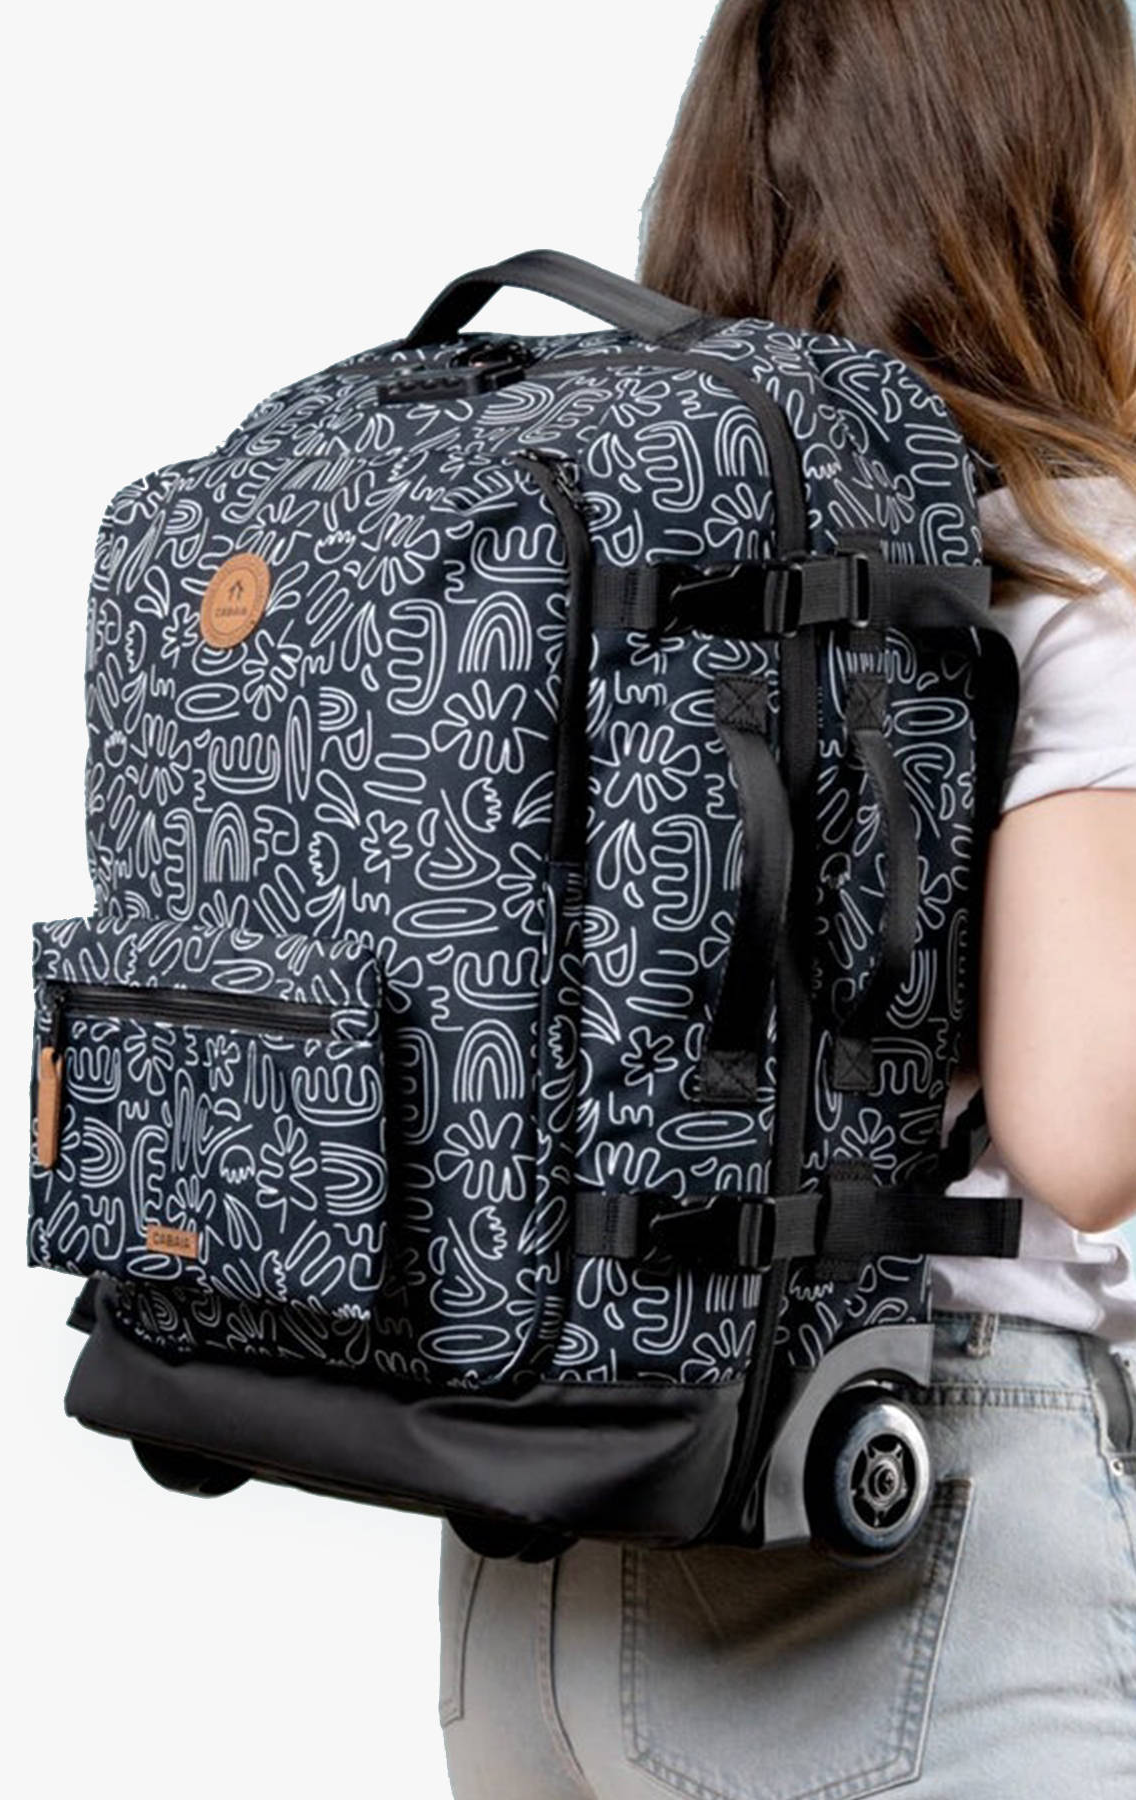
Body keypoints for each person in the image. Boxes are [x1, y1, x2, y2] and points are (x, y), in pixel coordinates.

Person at [438, 2, 1136, 1794]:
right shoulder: (1065, 552)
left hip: (536, 1519)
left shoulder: (608, 538)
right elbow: (1079, 1128)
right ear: (1065, 184)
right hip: (892, 1517)